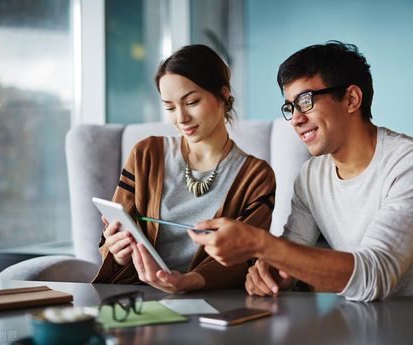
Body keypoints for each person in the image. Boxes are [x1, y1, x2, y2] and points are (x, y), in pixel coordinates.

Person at [189, 41, 413, 302]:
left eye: (306, 101)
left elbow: (374, 276)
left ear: (351, 99)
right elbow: (290, 252)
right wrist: (271, 272)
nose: (296, 119)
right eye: (290, 107)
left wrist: (261, 245)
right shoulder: (311, 176)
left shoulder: (411, 165)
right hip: (358, 321)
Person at [92, 44, 276, 293]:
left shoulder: (256, 177)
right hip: (138, 299)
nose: (181, 117)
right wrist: (117, 253)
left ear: (223, 94)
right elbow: (110, 240)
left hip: (213, 302)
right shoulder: (146, 155)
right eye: (169, 107)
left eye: (191, 102)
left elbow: (245, 259)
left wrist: (188, 282)